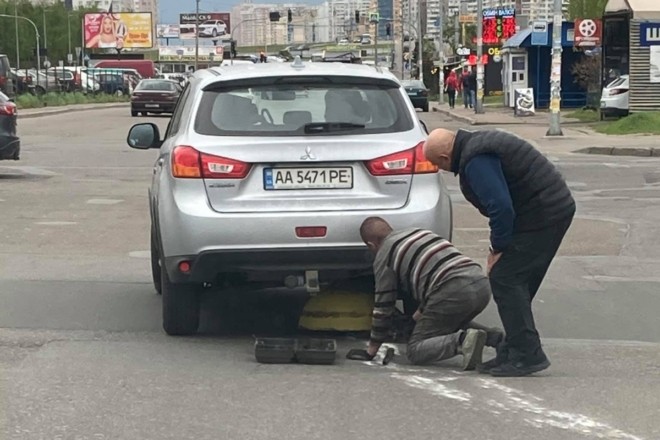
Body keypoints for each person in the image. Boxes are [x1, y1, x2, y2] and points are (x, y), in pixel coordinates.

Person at [423, 128, 576, 377]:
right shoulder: (475, 146)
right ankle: (514, 348)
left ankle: (527, 353)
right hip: (548, 208)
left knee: (506, 277)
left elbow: (501, 207)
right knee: (516, 281)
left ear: (443, 157)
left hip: (544, 213)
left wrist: (498, 248)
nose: (441, 170)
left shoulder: (475, 160)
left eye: (437, 165)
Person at [357, 217, 504, 370]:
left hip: (452, 288)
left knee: (415, 350)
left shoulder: (385, 253)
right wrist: (416, 318)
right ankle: (496, 338)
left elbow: (383, 307)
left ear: (371, 244)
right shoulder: (418, 233)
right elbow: (432, 279)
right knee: (447, 321)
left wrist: (372, 350)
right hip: (480, 283)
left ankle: (463, 341)